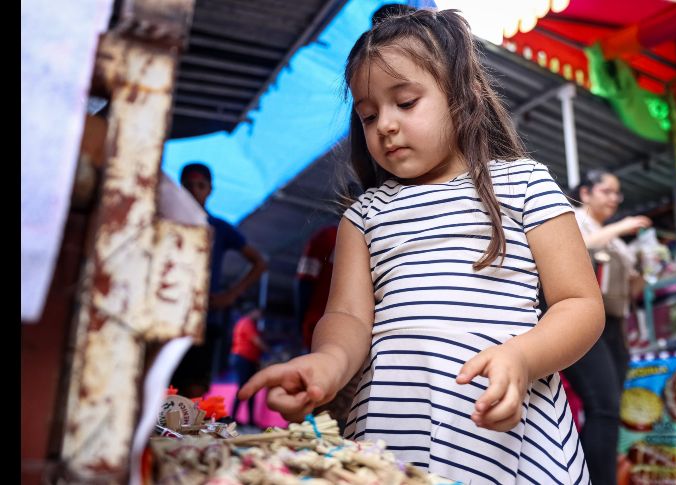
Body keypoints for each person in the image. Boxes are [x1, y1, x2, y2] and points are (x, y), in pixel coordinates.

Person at [238, 9, 604, 484]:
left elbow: (580, 303)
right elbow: (348, 317)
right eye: (369, 115)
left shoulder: (523, 183)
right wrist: (327, 364)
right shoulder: (364, 215)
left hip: (510, 433)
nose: (385, 125)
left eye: (406, 102)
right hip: (392, 432)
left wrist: (523, 357)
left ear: (462, 96)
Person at [562, 168, 651, 485]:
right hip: (584, 322)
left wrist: (648, 267)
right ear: (586, 193)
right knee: (603, 407)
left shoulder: (618, 243)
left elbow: (632, 290)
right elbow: (578, 247)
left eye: (617, 193)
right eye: (607, 191)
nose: (614, 198)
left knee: (609, 409)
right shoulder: (572, 219)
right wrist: (622, 227)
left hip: (614, 326)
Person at [171, 162, 267, 398]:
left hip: (205, 320)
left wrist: (230, 295)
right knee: (163, 385)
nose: (194, 191)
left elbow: (259, 262)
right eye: (188, 185)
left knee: (194, 389)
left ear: (210, 190)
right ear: (180, 188)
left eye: (200, 185)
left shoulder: (218, 228)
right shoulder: (168, 223)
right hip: (169, 317)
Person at [229, 306, 269, 425]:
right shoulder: (246, 322)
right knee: (243, 388)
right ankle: (233, 417)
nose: (260, 315)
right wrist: (270, 350)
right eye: (259, 312)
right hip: (243, 359)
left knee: (251, 388)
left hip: (249, 359)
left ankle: (250, 419)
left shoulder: (249, 323)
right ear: (253, 311)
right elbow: (256, 341)